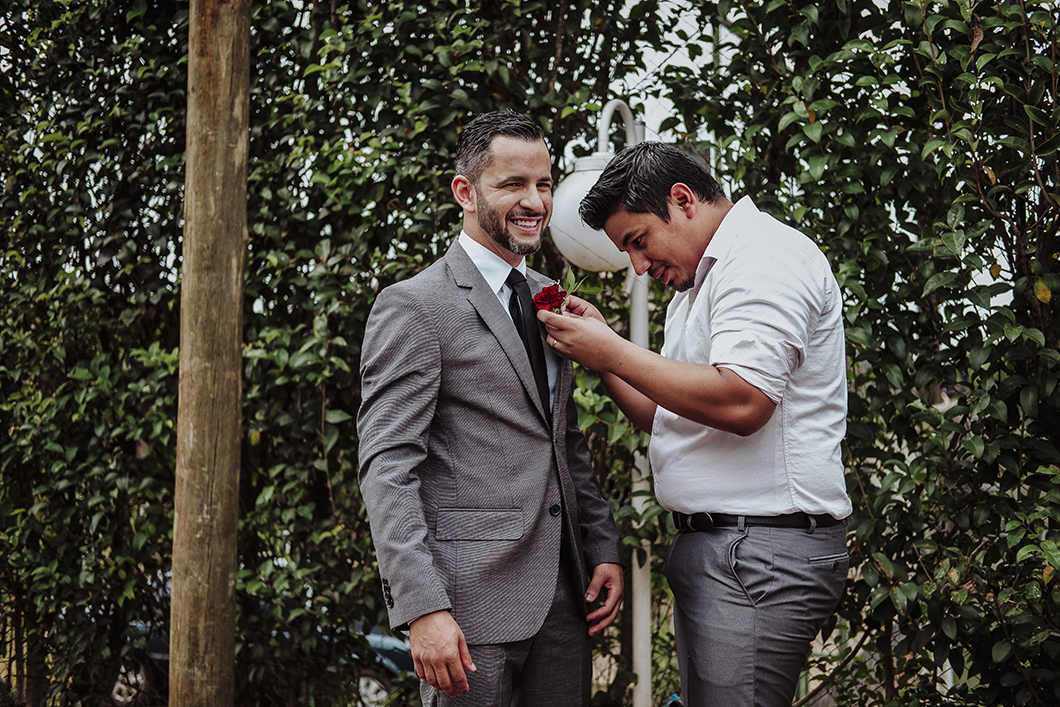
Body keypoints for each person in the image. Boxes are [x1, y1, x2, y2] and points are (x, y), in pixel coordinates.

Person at [539, 142, 852, 706]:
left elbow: (742, 401)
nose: (637, 266)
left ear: (681, 200)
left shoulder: (763, 258)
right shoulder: (697, 282)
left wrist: (612, 352)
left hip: (759, 555)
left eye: (638, 241)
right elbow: (667, 415)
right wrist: (601, 355)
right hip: (732, 552)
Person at [357, 110, 624, 707]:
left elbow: (564, 440)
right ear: (465, 193)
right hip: (467, 610)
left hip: (564, 601)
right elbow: (387, 467)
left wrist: (600, 544)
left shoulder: (548, 299)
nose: (535, 201)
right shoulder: (414, 307)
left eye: (545, 184)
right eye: (513, 185)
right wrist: (423, 606)